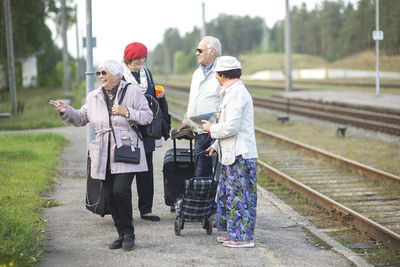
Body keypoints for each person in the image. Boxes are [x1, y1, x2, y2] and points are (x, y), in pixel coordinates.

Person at [49, 60, 153, 251]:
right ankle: (121, 234)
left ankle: (129, 233)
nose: (100, 76)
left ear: (116, 74)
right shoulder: (93, 96)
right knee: (109, 196)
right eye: (98, 73)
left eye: (104, 72)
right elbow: (81, 118)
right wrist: (67, 111)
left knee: (120, 191)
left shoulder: (132, 91)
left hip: (126, 149)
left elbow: (148, 116)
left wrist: (127, 112)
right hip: (103, 152)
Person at [202, 56, 258, 248]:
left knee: (240, 196)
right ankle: (233, 233)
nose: (215, 77)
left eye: (216, 73)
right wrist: (215, 146)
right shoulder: (230, 91)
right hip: (232, 153)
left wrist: (211, 128)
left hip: (240, 154)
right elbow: (230, 127)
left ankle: (243, 237)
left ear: (222, 74)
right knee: (229, 194)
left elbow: (231, 127)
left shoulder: (236, 93)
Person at [122, 42, 171, 221]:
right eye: (137, 59)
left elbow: (152, 94)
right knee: (126, 171)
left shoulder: (147, 73)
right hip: (128, 129)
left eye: (143, 58)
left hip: (147, 129)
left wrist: (160, 96)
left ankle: (146, 209)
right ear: (128, 59)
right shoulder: (121, 76)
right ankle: (124, 211)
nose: (140, 61)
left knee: (147, 170)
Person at [178, 36, 222, 177]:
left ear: (212, 52)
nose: (196, 53)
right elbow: (194, 99)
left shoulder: (222, 72)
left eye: (200, 50)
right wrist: (186, 120)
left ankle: (217, 200)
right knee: (200, 175)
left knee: (217, 175)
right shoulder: (197, 73)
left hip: (215, 132)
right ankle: (204, 200)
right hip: (199, 131)